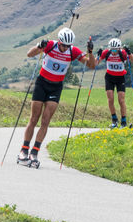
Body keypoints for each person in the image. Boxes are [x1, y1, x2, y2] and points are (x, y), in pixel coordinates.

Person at [18, 27, 95, 167]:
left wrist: (90, 52)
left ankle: (34, 153)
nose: (65, 48)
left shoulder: (72, 51)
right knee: (34, 118)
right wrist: (39, 46)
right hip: (42, 83)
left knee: (46, 120)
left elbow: (91, 65)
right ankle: (24, 150)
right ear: (59, 41)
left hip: (56, 87)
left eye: (68, 46)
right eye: (63, 45)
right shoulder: (50, 45)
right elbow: (30, 54)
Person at [95, 37, 133, 128]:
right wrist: (97, 55)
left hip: (120, 78)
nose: (114, 52)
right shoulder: (106, 53)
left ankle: (124, 121)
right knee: (110, 99)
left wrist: (130, 53)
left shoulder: (123, 53)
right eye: (112, 49)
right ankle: (114, 121)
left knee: (121, 100)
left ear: (119, 48)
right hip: (109, 77)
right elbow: (95, 63)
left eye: (116, 50)